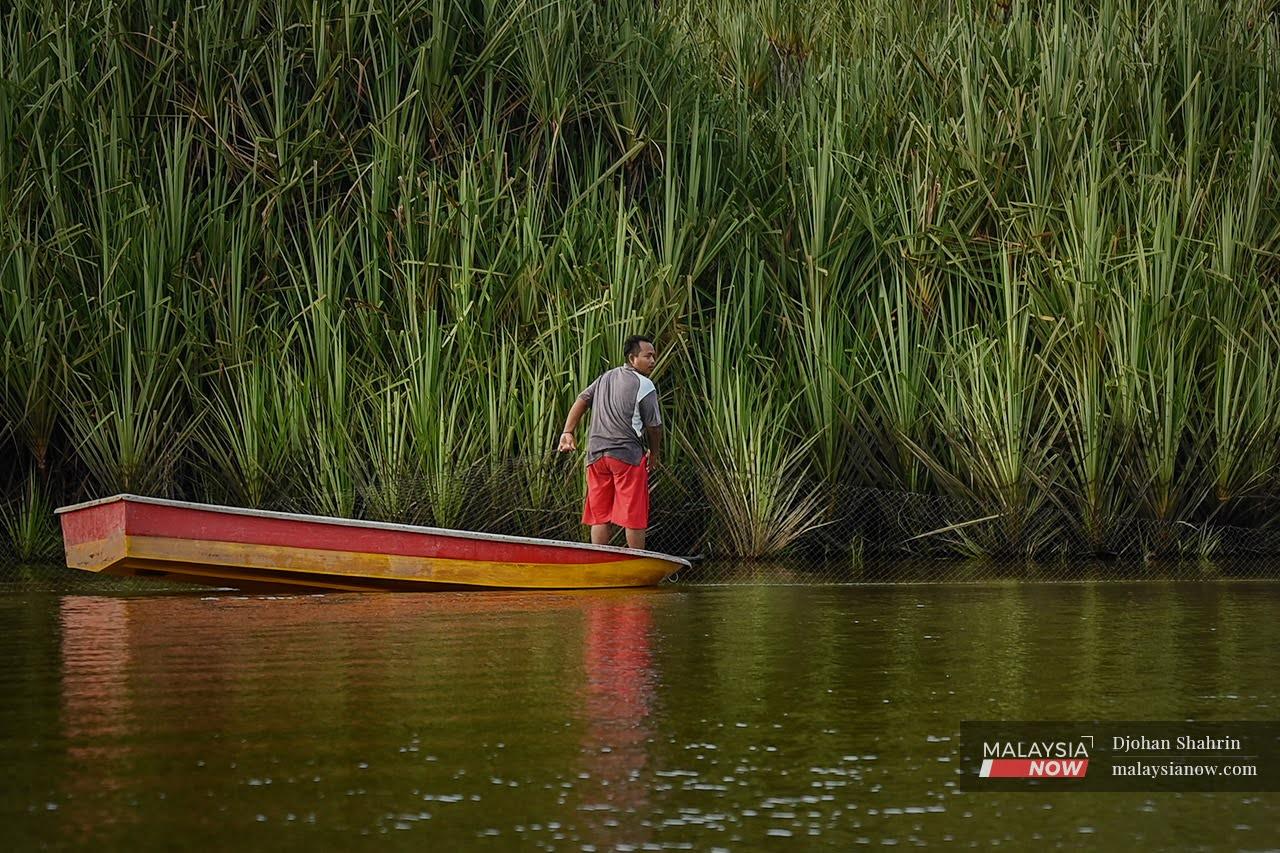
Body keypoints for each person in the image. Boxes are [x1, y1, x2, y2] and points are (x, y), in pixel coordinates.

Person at [558, 335, 663, 550]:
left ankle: (599, 560)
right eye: (648, 356)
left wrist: (568, 431)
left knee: (600, 514)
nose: (653, 361)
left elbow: (582, 399)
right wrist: (654, 453)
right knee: (633, 514)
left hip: (596, 456)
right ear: (632, 358)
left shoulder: (605, 377)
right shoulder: (645, 384)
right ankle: (636, 560)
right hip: (627, 456)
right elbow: (654, 426)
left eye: (654, 356)